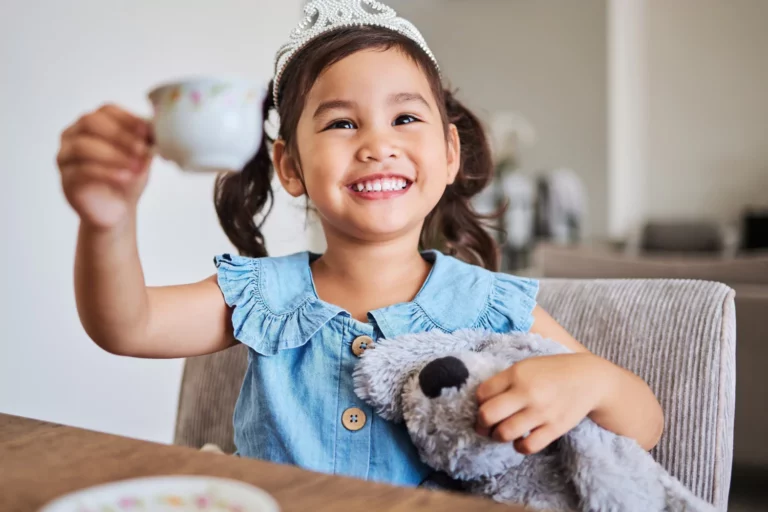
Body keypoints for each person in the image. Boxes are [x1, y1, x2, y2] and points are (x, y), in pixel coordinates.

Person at [55, 0, 663, 487]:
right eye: (342, 123)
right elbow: (126, 325)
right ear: (289, 166)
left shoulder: (492, 304)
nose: (377, 144)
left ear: (449, 153)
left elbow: (646, 422)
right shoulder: (263, 293)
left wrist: (589, 381)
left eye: (404, 118)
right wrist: (107, 222)